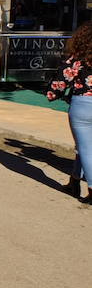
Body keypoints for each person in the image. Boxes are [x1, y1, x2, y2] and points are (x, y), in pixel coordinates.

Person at [47, 20, 92, 204]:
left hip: (82, 105)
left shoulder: (75, 60)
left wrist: (52, 94)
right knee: (84, 147)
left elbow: (59, 83)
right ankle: (74, 181)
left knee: (86, 148)